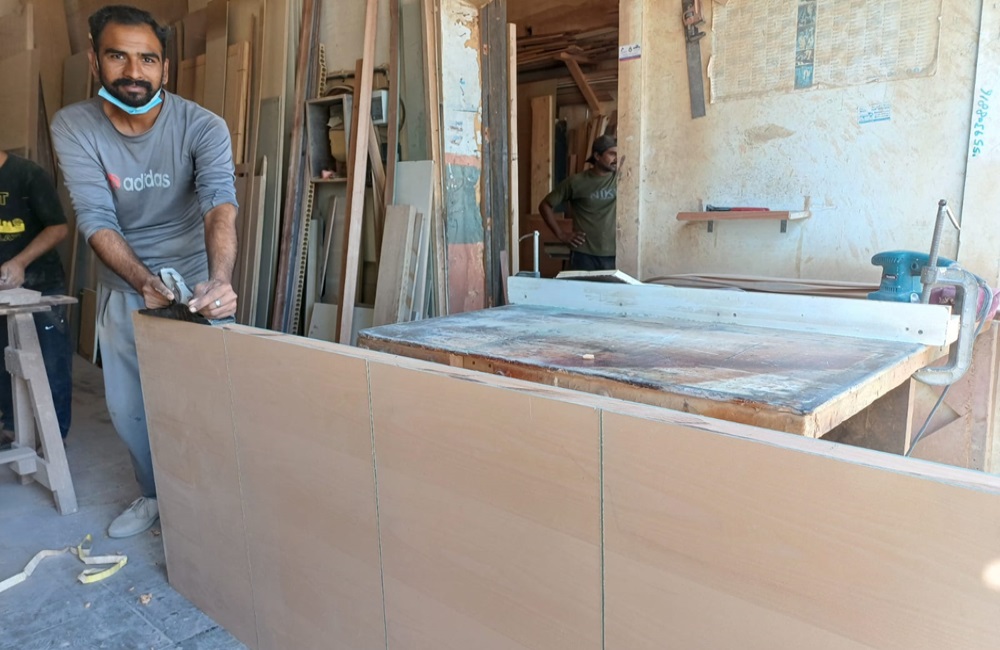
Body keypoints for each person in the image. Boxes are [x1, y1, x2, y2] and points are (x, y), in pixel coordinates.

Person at [51, 4, 239, 538]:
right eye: (118, 56)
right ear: (95, 61)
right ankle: (156, 496)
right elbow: (95, 218)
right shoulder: (74, 126)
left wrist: (220, 280)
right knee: (129, 410)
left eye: (148, 59)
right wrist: (142, 282)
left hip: (196, 282)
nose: (134, 72)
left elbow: (219, 206)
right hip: (124, 286)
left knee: (210, 403)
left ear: (165, 67)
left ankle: (220, 506)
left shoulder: (202, 125)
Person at [0, 151, 72, 442]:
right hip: (3, 291)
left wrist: (21, 261)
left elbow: (59, 227)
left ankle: (54, 435)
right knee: (4, 359)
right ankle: (11, 426)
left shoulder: (28, 175)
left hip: (42, 284)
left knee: (51, 362)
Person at [539, 134, 618, 271]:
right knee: (580, 286)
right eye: (612, 154)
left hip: (614, 253)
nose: (616, 159)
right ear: (597, 156)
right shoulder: (576, 182)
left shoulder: (621, 179)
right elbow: (545, 205)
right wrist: (561, 234)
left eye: (618, 154)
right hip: (583, 254)